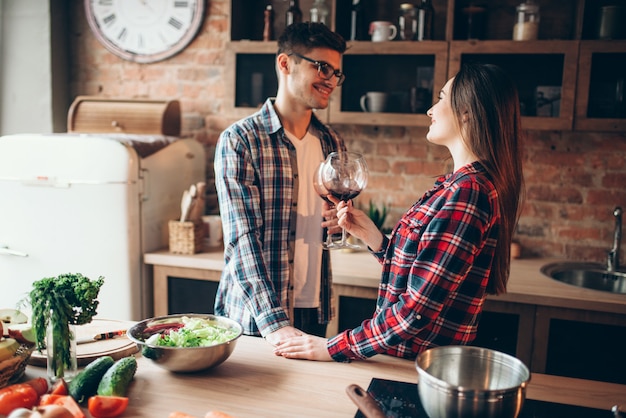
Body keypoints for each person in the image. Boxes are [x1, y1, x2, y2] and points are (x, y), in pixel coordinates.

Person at [273, 62, 525, 361]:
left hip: (417, 366)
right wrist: (374, 238)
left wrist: (333, 347)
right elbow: (418, 275)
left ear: (467, 111)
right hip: (406, 359)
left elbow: (417, 310)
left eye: (442, 98)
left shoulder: (468, 193)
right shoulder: (457, 186)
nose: (431, 110)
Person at [213, 22, 347, 346]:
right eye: (322, 67)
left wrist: (339, 222)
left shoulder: (332, 142)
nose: (330, 80)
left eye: (337, 73)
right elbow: (242, 238)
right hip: (255, 317)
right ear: (285, 64)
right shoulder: (240, 140)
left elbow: (334, 223)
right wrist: (274, 323)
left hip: (314, 307)